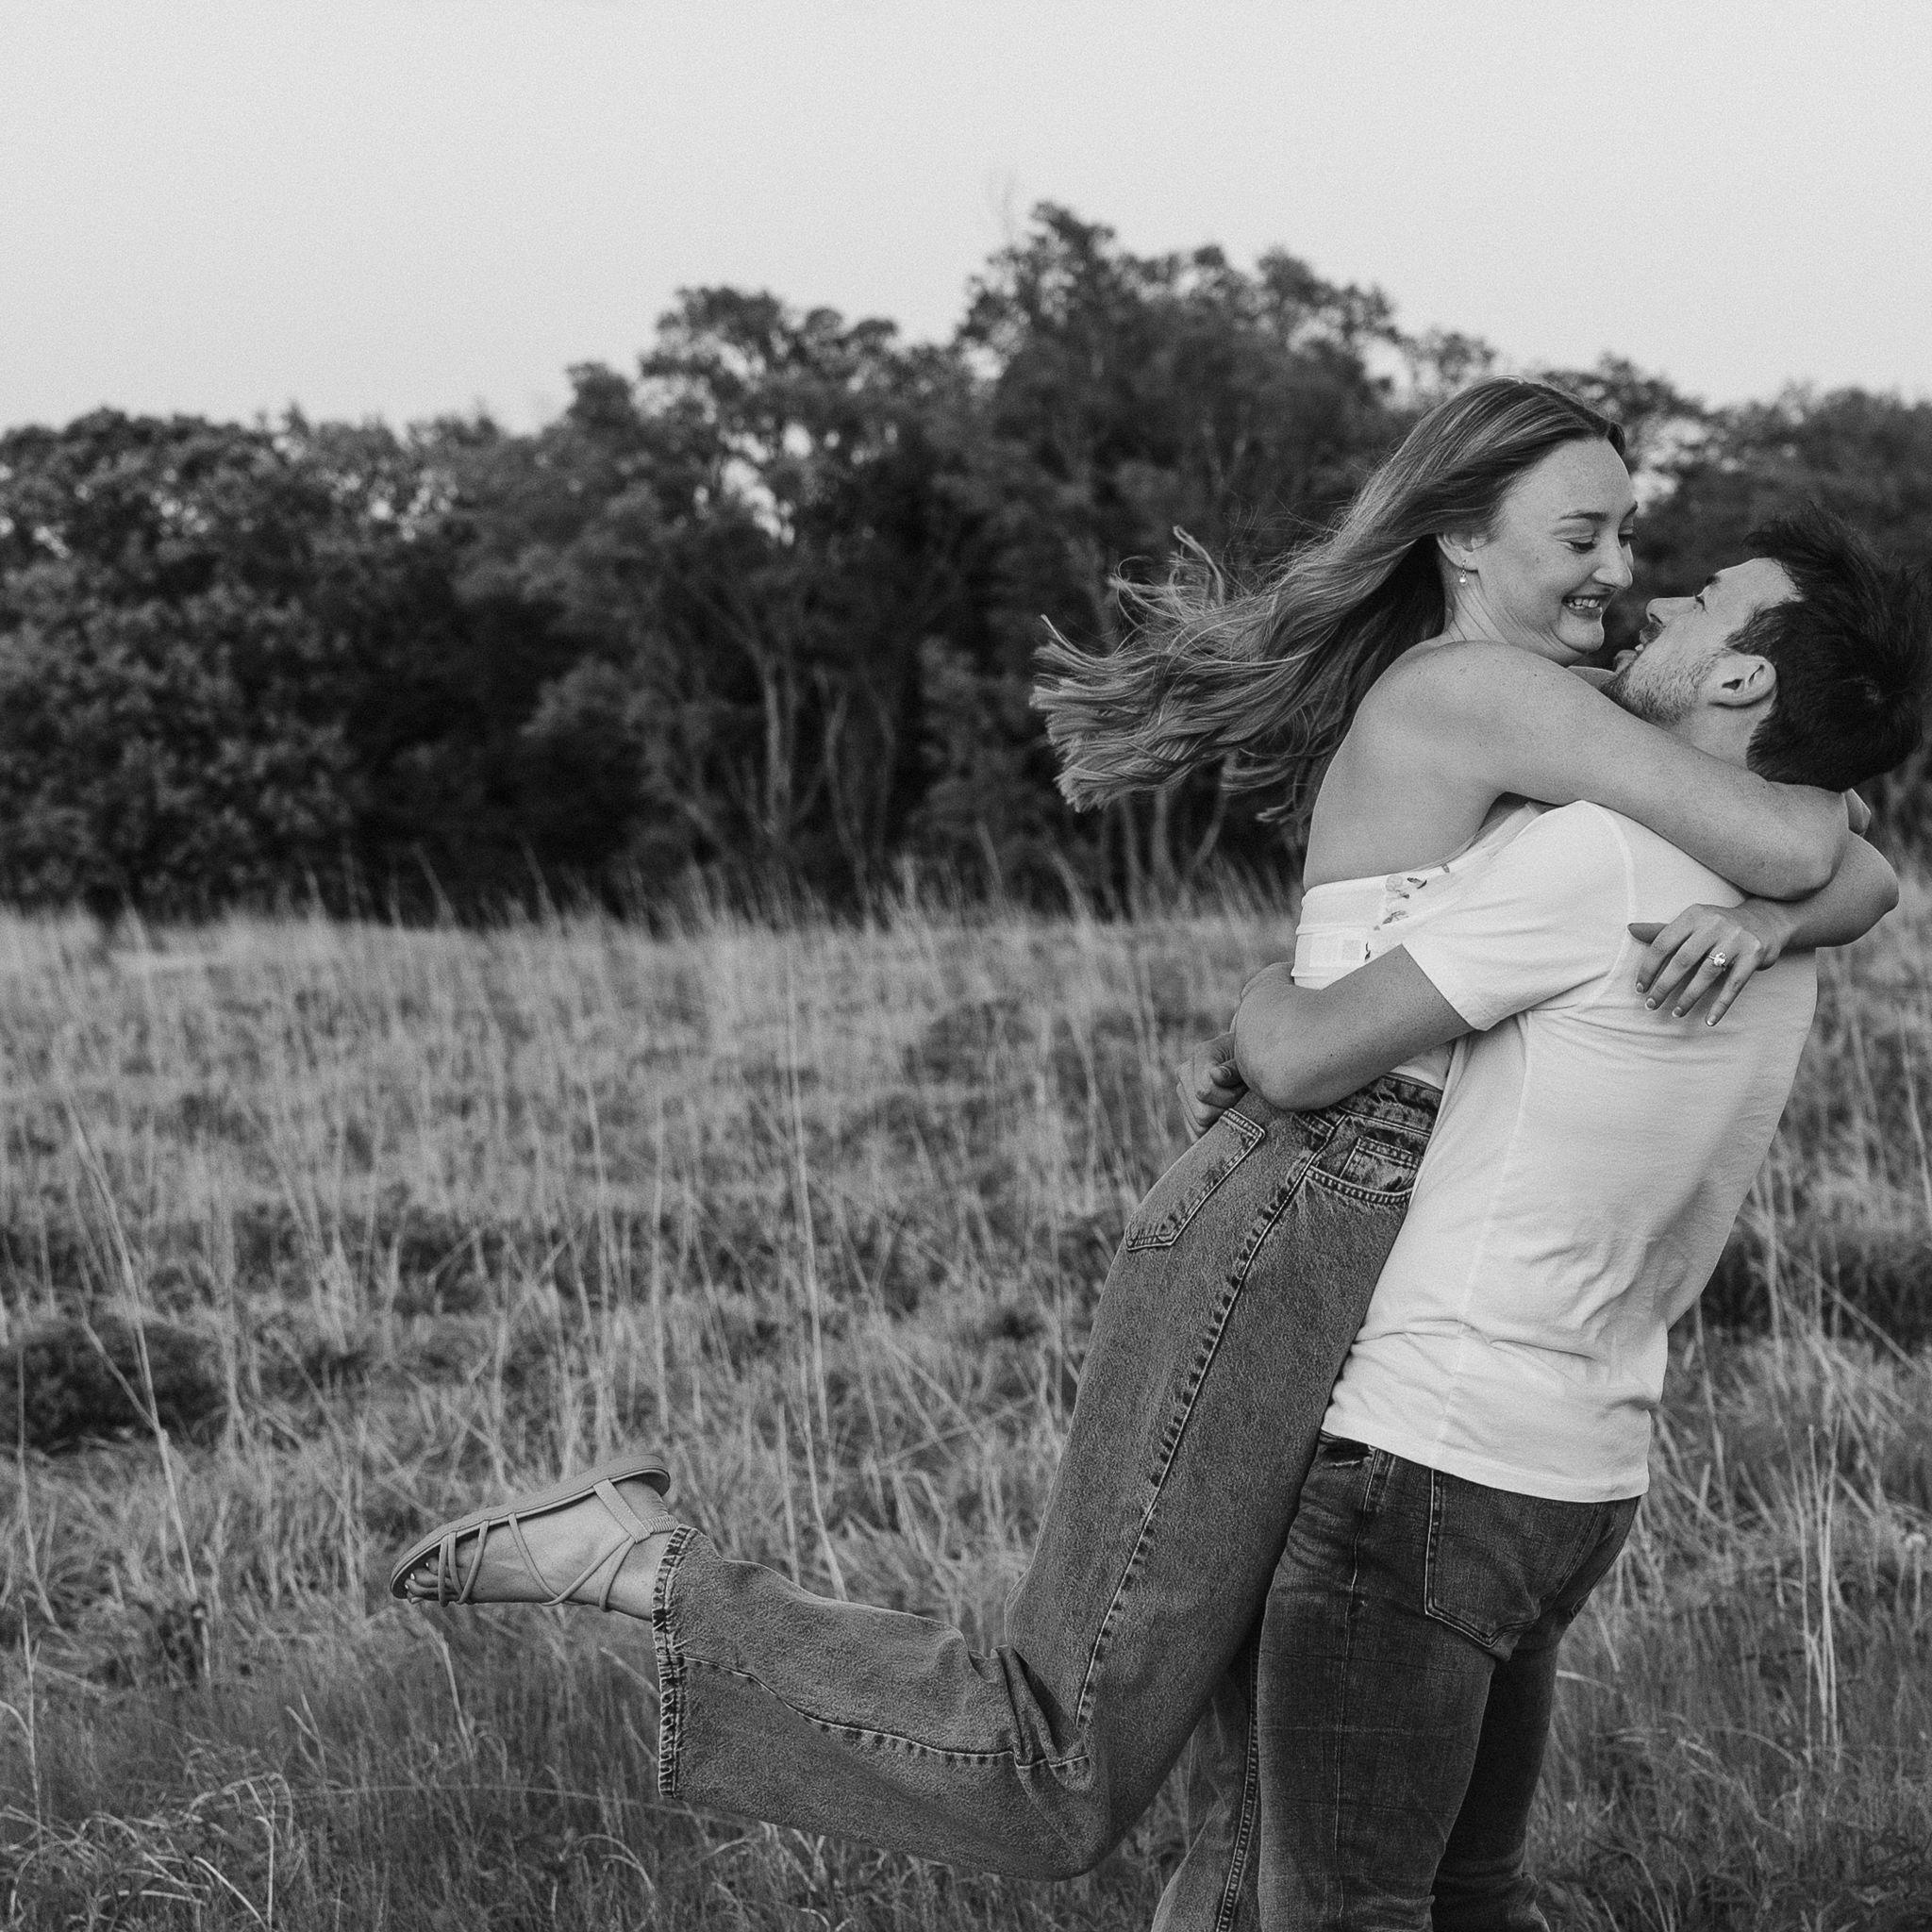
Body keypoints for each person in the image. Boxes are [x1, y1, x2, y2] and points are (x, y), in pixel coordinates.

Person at [386, 382, 1894, 1897]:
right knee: (1071, 1752)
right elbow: (1803, 832)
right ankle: (648, 1569)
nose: (1624, 573)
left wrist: (1773, 919)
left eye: (1631, 537)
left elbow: (1848, 855)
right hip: (1314, 1189)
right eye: (1584, 536)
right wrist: (1765, 902)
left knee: (1256, 1802)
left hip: (1363, 1202)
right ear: (1460, 537)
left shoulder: (1565, 737)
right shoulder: (1495, 697)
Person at [1161, 513, 1928, 1928]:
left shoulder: (1607, 860)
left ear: (1743, 679)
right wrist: (1781, 915)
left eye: (1703, 602)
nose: (1654, 602)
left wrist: (1264, 999)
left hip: (1429, 1458)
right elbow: (1856, 854)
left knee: (1344, 1908)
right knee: (1469, 1894)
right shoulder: (1767, 894)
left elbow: (1300, 1057)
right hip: (1579, 1472)